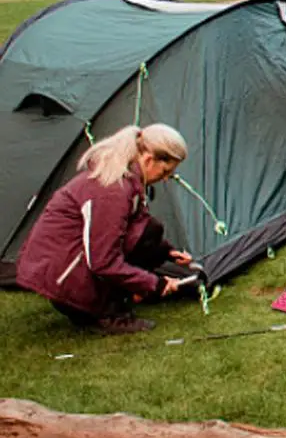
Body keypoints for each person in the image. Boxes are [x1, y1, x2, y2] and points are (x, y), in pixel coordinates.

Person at [16, 124, 192, 334]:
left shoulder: (126, 180)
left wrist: (167, 252)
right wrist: (156, 284)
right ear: (147, 160)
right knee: (136, 242)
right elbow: (102, 261)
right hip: (63, 274)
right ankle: (109, 314)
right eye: (165, 172)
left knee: (150, 231)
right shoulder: (112, 191)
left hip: (67, 264)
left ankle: (114, 298)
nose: (165, 179)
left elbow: (138, 225)